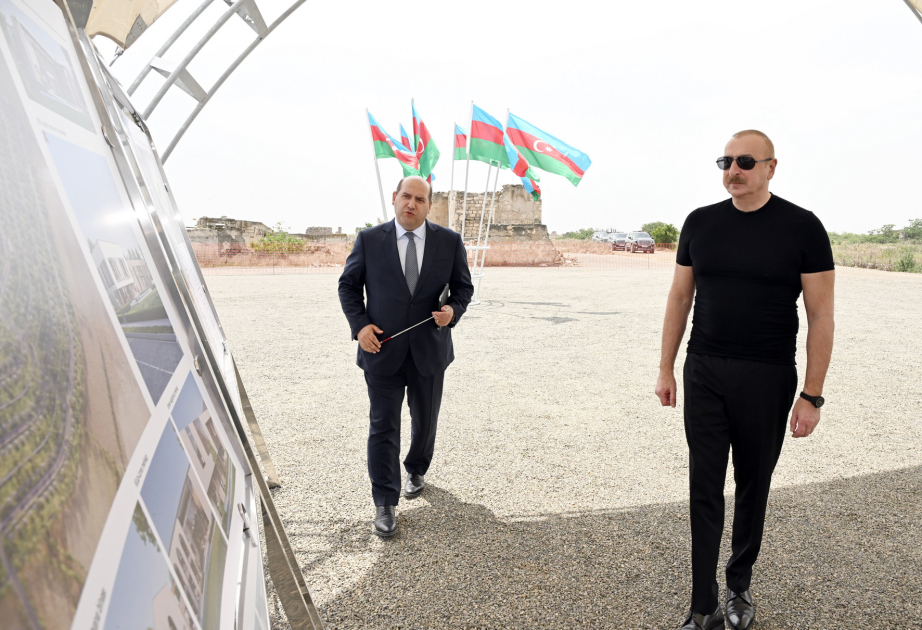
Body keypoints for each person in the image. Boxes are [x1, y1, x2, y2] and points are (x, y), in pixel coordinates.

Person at [655, 130, 835, 630]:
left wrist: (812, 395)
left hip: (769, 375)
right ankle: (703, 604)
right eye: (726, 161)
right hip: (706, 368)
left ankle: (738, 586)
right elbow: (678, 298)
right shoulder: (700, 223)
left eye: (745, 162)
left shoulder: (803, 228)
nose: (733, 170)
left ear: (771, 167)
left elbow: (821, 315)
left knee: (753, 485)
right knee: (704, 484)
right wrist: (666, 366)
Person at [339, 175, 474, 538]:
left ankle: (417, 467)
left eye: (420, 199)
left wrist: (452, 311)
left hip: (430, 349)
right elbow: (348, 286)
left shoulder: (449, 241)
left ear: (429, 205)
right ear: (394, 198)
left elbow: (464, 287)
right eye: (406, 197)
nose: (411, 204)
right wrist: (361, 326)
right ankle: (384, 501)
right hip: (380, 350)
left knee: (425, 419)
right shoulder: (369, 239)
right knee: (383, 426)